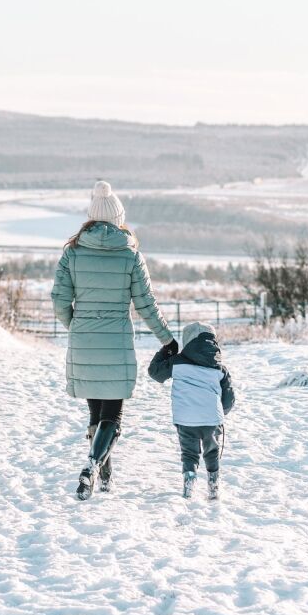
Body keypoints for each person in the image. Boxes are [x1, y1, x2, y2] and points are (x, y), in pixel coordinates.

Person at [51, 180, 176, 500]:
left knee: (96, 412)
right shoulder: (130, 254)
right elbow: (146, 303)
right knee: (113, 416)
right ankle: (93, 466)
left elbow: (59, 300)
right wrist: (168, 339)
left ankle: (102, 469)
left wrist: (75, 326)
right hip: (117, 341)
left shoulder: (73, 253)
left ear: (91, 217)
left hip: (84, 341)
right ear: (119, 218)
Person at [148, 321, 236, 500]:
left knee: (189, 452)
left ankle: (189, 479)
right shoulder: (219, 368)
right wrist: (221, 413)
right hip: (212, 418)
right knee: (211, 451)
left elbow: (155, 372)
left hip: (185, 417)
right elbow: (229, 399)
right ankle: (213, 484)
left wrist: (166, 350)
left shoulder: (177, 362)